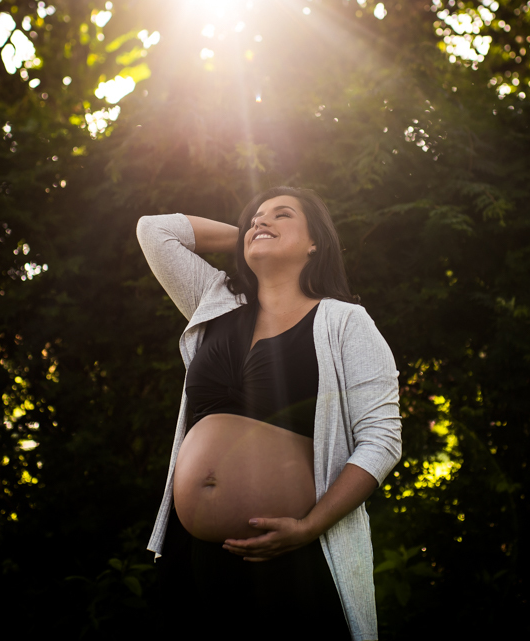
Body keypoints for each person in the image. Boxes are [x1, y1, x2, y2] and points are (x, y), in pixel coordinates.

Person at [136, 186, 402, 640]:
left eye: (282, 215)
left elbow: (382, 441)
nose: (262, 221)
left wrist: (308, 527)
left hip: (295, 555)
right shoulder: (215, 301)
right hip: (196, 555)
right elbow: (154, 230)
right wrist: (250, 232)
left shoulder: (344, 322)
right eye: (256, 216)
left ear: (315, 242)